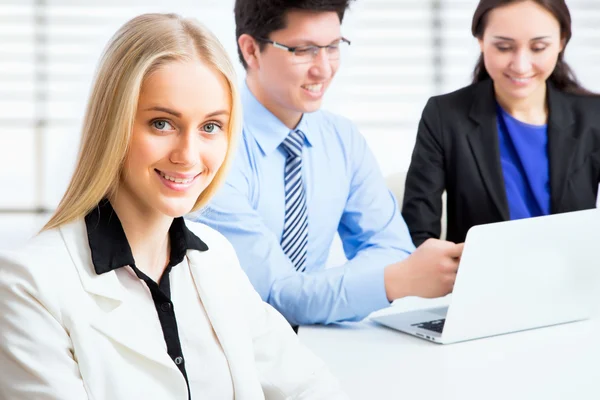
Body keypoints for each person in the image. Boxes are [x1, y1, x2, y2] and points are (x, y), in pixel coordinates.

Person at [0, 13, 348, 399]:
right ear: (114, 124)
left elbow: (311, 386)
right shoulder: (27, 286)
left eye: (211, 127)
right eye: (162, 124)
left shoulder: (215, 257)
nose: (189, 155)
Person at [196, 0, 464, 327]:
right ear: (251, 50)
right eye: (304, 50)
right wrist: (392, 281)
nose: (324, 69)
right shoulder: (212, 148)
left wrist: (321, 296)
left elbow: (391, 247)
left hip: (322, 336)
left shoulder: (341, 138)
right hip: (230, 345)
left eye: (333, 47)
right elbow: (275, 296)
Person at [402, 0, 600, 247]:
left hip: (575, 278)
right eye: (504, 47)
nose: (520, 65)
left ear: (561, 42)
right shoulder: (444, 116)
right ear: (481, 41)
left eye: (538, 47)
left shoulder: (594, 116)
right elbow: (417, 235)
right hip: (480, 281)